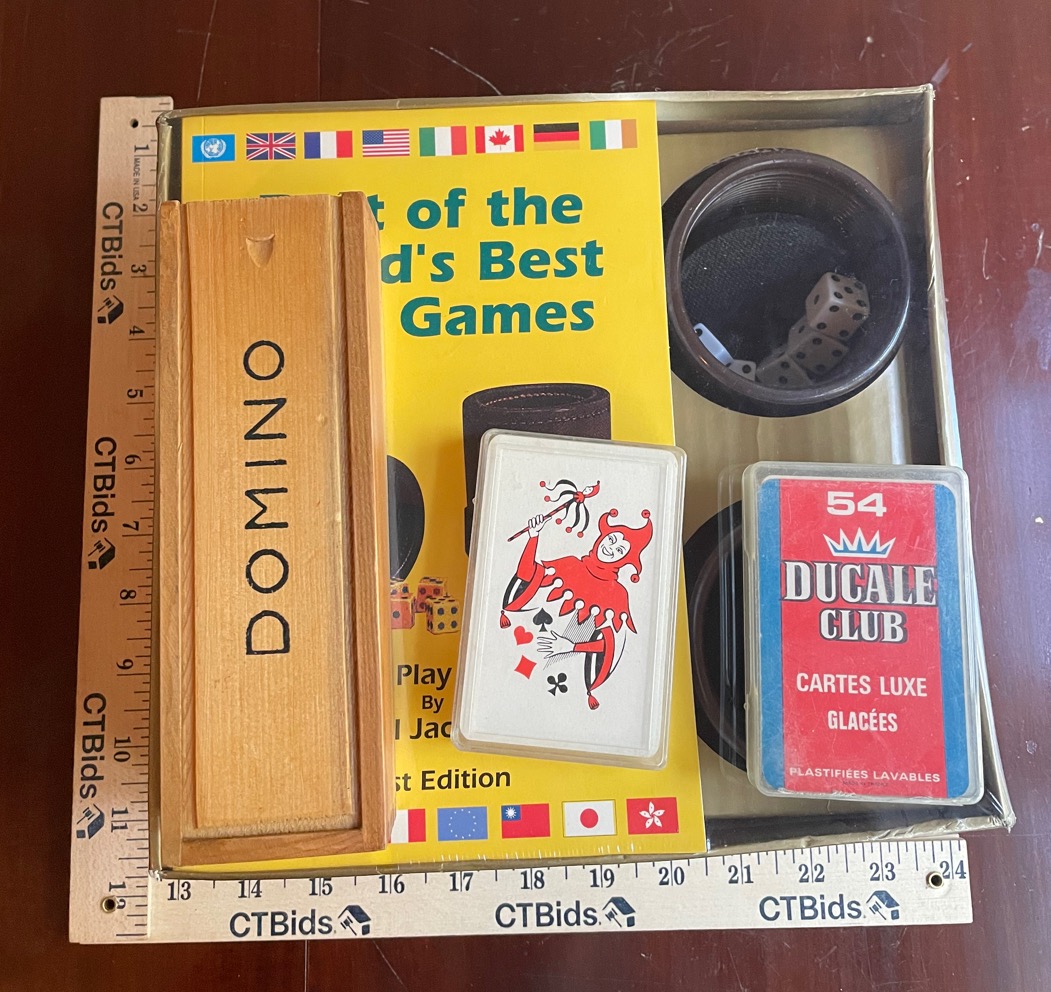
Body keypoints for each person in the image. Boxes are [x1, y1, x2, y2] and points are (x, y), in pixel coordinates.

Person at [499, 507, 653, 709]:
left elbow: (609, 647)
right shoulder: (569, 564)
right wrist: (533, 537)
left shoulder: (617, 594)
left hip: (569, 677)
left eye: (619, 550)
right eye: (611, 539)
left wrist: (570, 647)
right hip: (527, 655)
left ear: (625, 559)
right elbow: (527, 576)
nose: (610, 548)